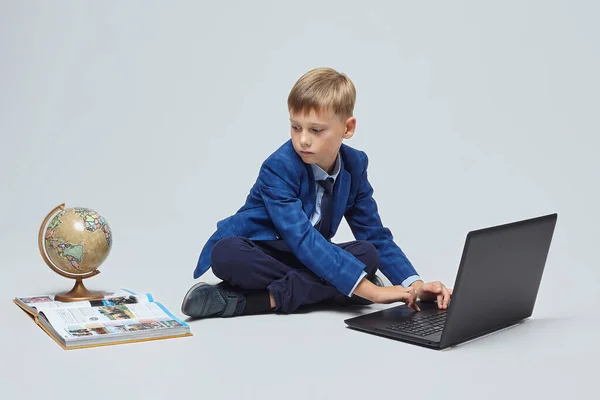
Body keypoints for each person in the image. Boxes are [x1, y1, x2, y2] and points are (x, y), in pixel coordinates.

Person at [181, 67, 452, 319]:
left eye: (316, 130)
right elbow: (300, 238)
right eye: (295, 127)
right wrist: (372, 291)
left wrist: (414, 285)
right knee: (226, 253)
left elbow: (375, 234)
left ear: (348, 128)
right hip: (262, 250)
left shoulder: (355, 166)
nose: (302, 139)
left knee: (368, 254)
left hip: (306, 253)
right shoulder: (279, 167)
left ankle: (260, 300)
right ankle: (341, 289)